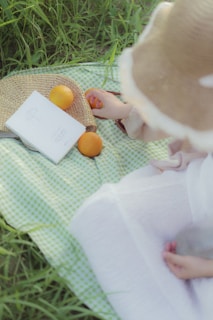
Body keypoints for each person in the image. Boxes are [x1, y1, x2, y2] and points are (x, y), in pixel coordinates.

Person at [71, 0, 213, 319]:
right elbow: (183, 104)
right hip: (200, 185)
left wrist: (208, 267)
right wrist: (128, 112)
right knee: (104, 214)